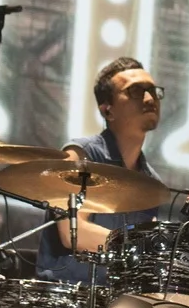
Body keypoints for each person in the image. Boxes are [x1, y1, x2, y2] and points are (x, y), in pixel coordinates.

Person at [35, 57, 165, 283]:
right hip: (66, 297)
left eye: (153, 91)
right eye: (135, 91)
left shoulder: (151, 182)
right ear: (107, 110)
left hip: (114, 300)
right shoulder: (79, 155)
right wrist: (140, 248)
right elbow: (73, 233)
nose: (149, 98)